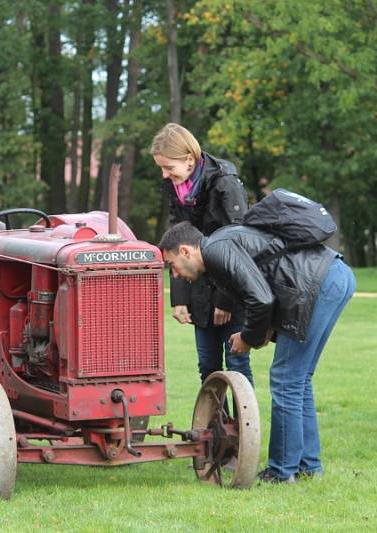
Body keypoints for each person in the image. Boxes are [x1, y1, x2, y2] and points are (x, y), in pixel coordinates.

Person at [159, 221, 355, 483]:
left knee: (286, 378)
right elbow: (264, 285)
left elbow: (261, 299)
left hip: (319, 283)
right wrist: (263, 331)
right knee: (298, 378)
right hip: (333, 275)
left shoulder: (218, 250)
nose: (174, 275)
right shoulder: (218, 251)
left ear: (186, 251)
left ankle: (281, 472)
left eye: (172, 265)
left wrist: (247, 338)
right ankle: (309, 466)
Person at [150, 123, 253, 386]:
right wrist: (180, 298)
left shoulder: (225, 184)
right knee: (207, 366)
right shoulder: (178, 187)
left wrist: (225, 300)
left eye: (168, 167)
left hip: (231, 293)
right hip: (199, 294)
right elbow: (177, 242)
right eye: (161, 167)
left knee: (237, 366)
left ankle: (243, 427)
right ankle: (213, 427)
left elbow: (239, 245)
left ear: (188, 159)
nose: (164, 174)